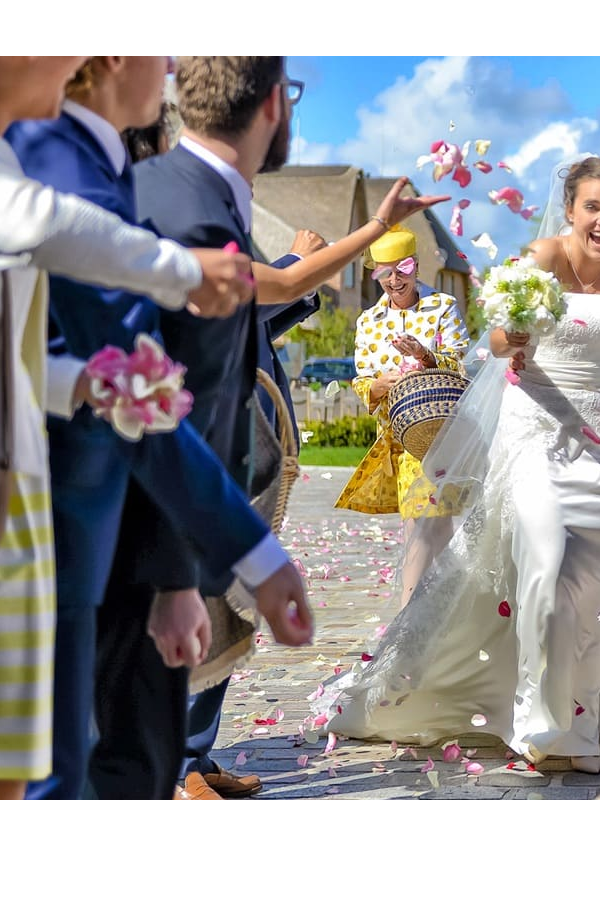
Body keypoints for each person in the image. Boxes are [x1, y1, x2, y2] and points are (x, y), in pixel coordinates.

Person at [118, 56, 440, 800]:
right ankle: (172, 769)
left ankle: (187, 758)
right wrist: (196, 566)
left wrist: (370, 228)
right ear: (274, 104)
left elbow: (286, 287)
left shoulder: (192, 195)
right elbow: (174, 416)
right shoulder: (187, 204)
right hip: (174, 499)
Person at [6, 56, 317, 802]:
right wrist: (234, 560)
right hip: (66, 537)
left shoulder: (110, 165)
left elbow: (87, 371)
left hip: (85, 534)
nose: (171, 65)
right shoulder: (56, 158)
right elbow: (137, 385)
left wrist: (76, 380)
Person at [322, 156, 600, 775]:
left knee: (591, 589)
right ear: (570, 206)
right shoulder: (542, 256)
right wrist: (516, 339)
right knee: (544, 563)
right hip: (534, 429)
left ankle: (577, 731)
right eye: (593, 207)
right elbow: (494, 341)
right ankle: (539, 723)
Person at [335, 223, 470, 608]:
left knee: (423, 525)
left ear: (417, 265)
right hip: (397, 441)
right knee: (435, 532)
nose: (395, 280)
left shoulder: (442, 307)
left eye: (404, 268)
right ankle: (448, 619)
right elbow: (362, 382)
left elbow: (463, 367)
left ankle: (407, 622)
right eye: (385, 272)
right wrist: (380, 385)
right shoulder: (368, 322)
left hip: (438, 435)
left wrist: (427, 358)